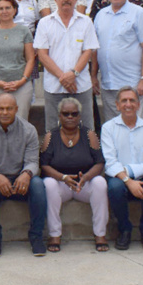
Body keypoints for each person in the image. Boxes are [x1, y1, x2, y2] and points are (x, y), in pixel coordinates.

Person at [0, 93, 46, 256]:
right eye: (1, 109)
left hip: (21, 178)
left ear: (16, 109)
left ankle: (36, 237)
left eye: (9, 108)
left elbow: (33, 162)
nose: (5, 112)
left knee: (37, 184)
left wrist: (26, 174)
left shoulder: (29, 130)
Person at [40, 98, 109, 252]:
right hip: (61, 184)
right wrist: (63, 177)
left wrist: (86, 177)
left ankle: (100, 234)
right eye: (66, 114)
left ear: (79, 116)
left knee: (100, 183)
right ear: (59, 116)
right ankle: (54, 235)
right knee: (48, 184)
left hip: (83, 185)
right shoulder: (50, 136)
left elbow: (99, 162)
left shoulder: (89, 134)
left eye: (74, 113)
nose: (70, 117)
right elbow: (44, 165)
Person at [101, 86, 143, 251]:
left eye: (132, 100)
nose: (128, 104)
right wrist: (128, 180)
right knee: (114, 187)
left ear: (138, 105)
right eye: (124, 101)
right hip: (120, 177)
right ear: (117, 105)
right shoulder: (108, 128)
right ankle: (124, 229)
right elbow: (110, 162)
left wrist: (131, 171)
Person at [34, 0, 100, 131]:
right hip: (54, 87)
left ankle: (87, 155)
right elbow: (42, 55)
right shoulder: (45, 23)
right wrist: (62, 77)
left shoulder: (86, 22)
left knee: (87, 128)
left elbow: (88, 51)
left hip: (81, 85)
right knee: (52, 129)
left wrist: (73, 73)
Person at [91, 0, 143, 122]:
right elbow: (95, 49)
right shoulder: (100, 15)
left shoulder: (139, 13)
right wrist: (94, 76)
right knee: (113, 127)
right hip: (109, 85)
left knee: (137, 126)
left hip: (133, 84)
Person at [0, 0, 35, 121]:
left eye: (7, 8)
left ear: (14, 10)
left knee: (21, 122)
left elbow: (30, 59)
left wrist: (22, 80)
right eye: (0, 8)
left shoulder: (24, 31)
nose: (4, 11)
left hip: (21, 85)